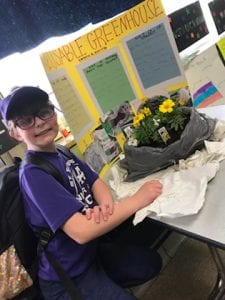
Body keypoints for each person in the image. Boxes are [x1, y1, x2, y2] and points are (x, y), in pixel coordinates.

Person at [0, 86, 163, 300]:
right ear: (15, 133)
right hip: (68, 277)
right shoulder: (33, 174)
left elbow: (95, 181)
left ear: (54, 113)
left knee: (150, 263)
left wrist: (104, 206)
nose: (39, 122)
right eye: (26, 120)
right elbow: (82, 232)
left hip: (91, 253)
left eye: (44, 112)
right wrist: (138, 199)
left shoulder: (61, 151)